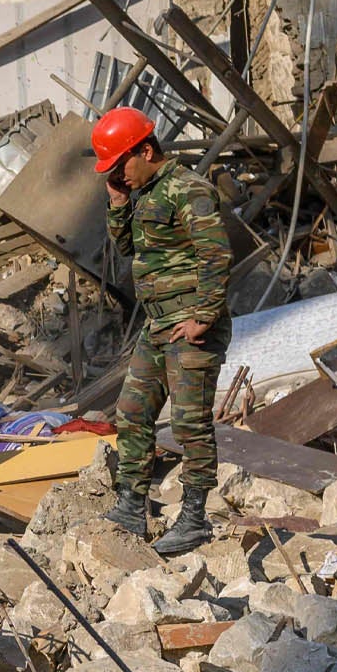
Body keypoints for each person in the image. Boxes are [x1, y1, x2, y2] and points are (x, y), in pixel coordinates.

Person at [92, 105, 231, 556]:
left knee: (190, 424)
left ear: (146, 149)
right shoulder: (144, 194)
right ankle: (132, 504)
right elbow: (128, 247)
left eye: (119, 166)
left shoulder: (188, 190)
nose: (117, 175)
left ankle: (194, 518)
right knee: (132, 412)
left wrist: (204, 317)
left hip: (190, 327)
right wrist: (117, 204)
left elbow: (215, 255)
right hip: (157, 327)